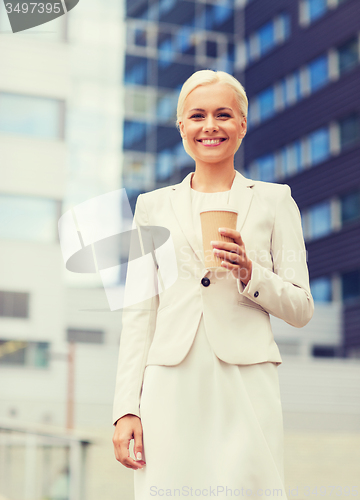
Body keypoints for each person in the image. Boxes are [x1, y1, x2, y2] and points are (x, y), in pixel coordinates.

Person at [112, 69, 314, 499]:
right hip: (170, 383)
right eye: (197, 115)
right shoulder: (152, 207)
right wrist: (126, 408)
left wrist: (250, 273)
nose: (210, 126)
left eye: (223, 114)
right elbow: (138, 313)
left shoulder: (275, 200)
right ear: (181, 126)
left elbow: (301, 308)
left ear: (242, 123)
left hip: (245, 380)